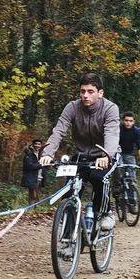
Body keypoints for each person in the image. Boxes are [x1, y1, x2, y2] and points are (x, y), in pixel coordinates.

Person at [40, 72, 120, 229]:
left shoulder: (110, 109)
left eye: (90, 92)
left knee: (99, 179)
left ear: (100, 93)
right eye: (82, 91)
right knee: (70, 186)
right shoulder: (72, 107)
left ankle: (105, 212)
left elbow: (111, 133)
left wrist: (106, 155)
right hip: (81, 155)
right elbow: (58, 131)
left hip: (105, 155)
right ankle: (68, 228)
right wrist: (47, 154)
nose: (85, 95)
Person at [118, 110, 140, 208]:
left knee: (132, 178)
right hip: (117, 153)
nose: (128, 123)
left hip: (129, 154)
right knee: (118, 173)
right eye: (126, 120)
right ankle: (118, 195)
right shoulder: (118, 129)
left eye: (130, 121)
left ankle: (132, 203)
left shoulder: (136, 131)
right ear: (123, 121)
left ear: (134, 122)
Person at [21, 138, 44, 204]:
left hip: (40, 177)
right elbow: (29, 166)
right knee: (32, 196)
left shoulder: (42, 154)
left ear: (41, 145)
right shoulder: (29, 154)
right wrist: (41, 165)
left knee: (37, 196)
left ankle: (35, 211)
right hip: (32, 178)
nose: (37, 145)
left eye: (39, 144)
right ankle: (30, 211)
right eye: (36, 144)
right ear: (33, 145)